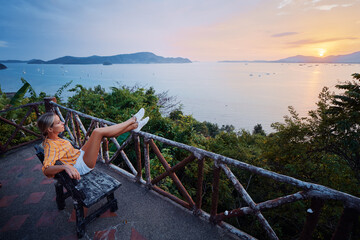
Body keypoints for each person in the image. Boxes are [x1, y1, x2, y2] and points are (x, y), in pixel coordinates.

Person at [37, 108, 149, 180]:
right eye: (58, 122)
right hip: (80, 166)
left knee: (101, 134)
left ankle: (135, 126)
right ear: (50, 129)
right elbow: (46, 170)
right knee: (97, 132)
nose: (62, 122)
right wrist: (65, 166)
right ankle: (133, 119)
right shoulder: (51, 146)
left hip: (79, 155)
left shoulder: (53, 139)